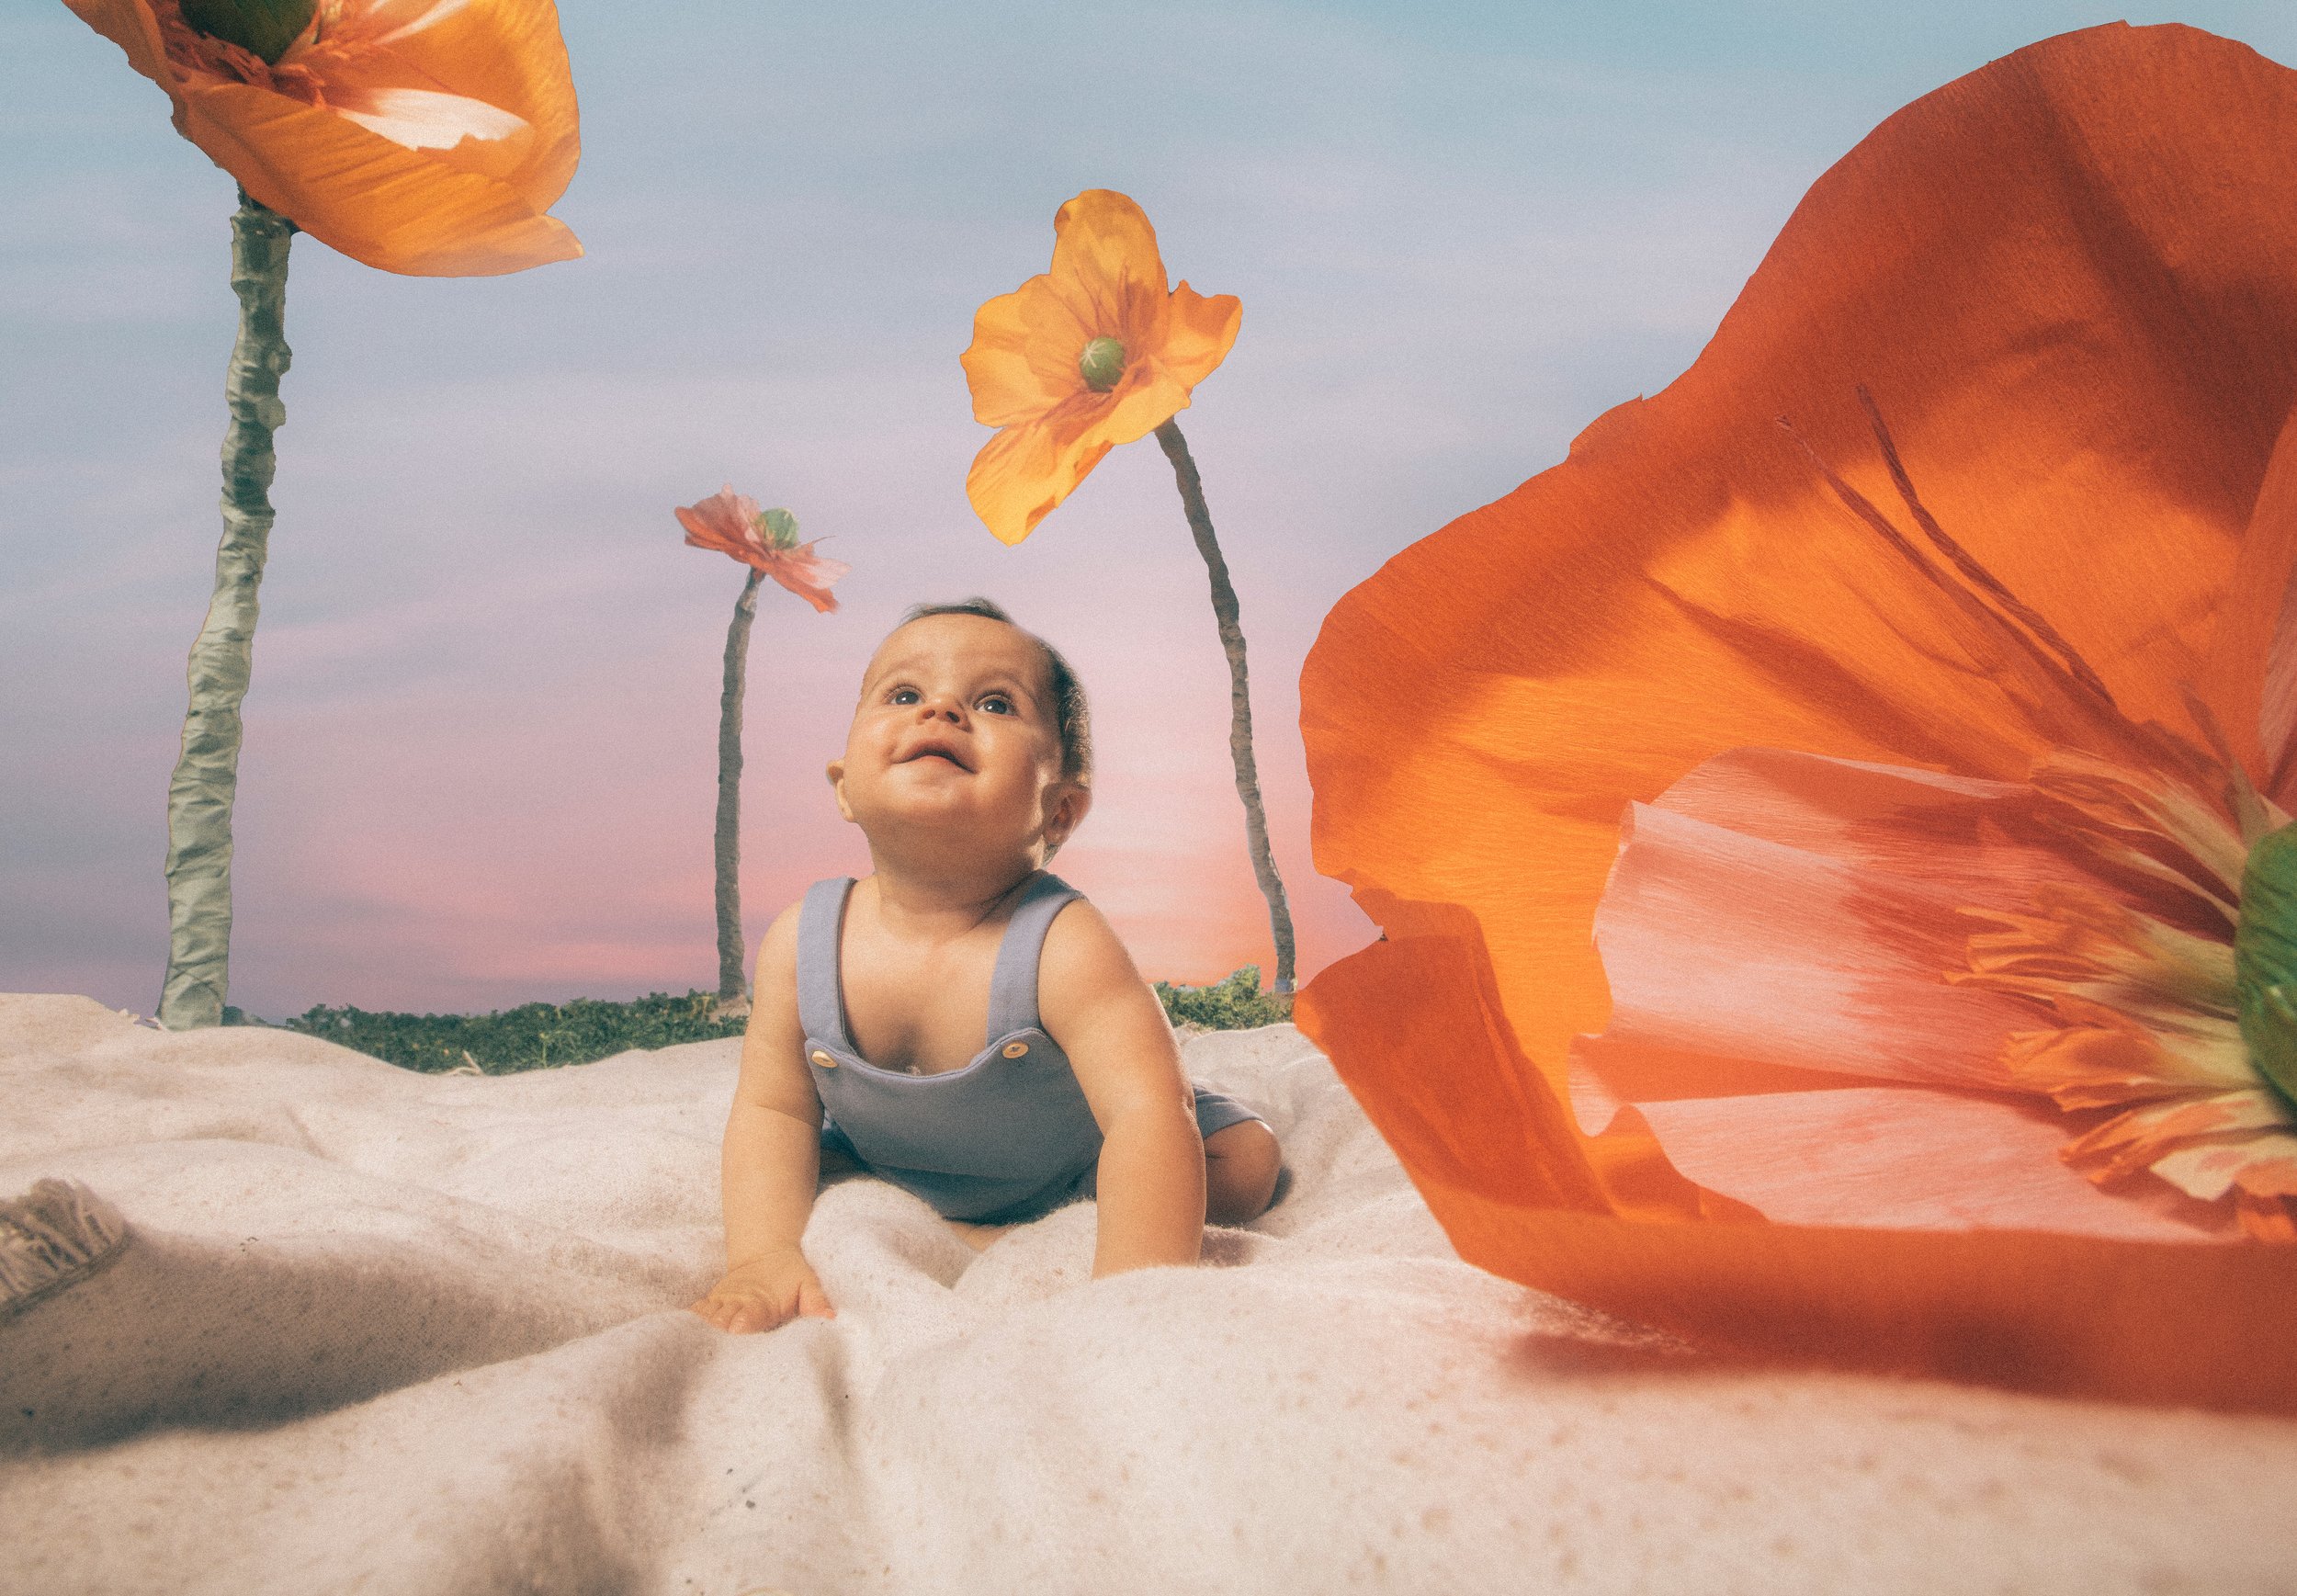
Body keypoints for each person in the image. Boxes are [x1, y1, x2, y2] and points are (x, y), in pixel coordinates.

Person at [691, 599, 1284, 1333]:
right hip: (899, 1152)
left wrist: (1131, 1298)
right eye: (904, 694)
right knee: (805, 1168)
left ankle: (1075, 1212)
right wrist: (764, 1253)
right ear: (845, 786)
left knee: (1248, 1164)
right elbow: (773, 1109)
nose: (939, 709)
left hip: (1077, 1157)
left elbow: (1146, 1114)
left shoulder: (1065, 943)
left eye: (996, 702)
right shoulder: (802, 941)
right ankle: (952, 1214)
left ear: (1059, 811)